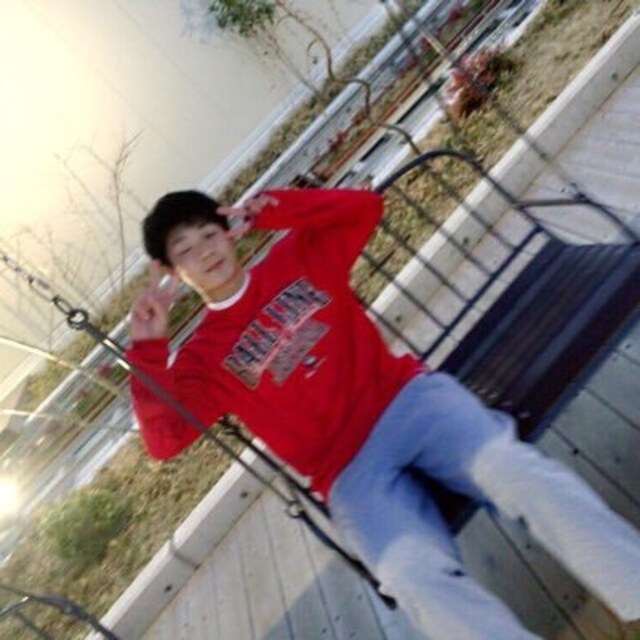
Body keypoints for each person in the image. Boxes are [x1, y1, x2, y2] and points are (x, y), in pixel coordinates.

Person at [127, 187, 640, 640]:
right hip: (347, 472)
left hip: (408, 402)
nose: (205, 251)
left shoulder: (297, 256)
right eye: (185, 250)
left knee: (516, 472)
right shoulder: (200, 359)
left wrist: (275, 209)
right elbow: (165, 441)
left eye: (208, 234)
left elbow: (366, 208)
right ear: (174, 273)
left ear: (228, 230)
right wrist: (148, 351)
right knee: (411, 577)